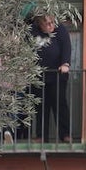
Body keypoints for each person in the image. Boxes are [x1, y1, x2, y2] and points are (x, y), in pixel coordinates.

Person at [28, 13, 72, 142]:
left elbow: (66, 47)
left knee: (59, 104)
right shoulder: (33, 31)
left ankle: (65, 135)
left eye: (52, 22)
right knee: (41, 107)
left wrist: (65, 63)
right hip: (38, 76)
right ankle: (42, 136)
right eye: (47, 24)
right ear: (40, 24)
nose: (51, 25)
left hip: (57, 75)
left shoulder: (60, 30)